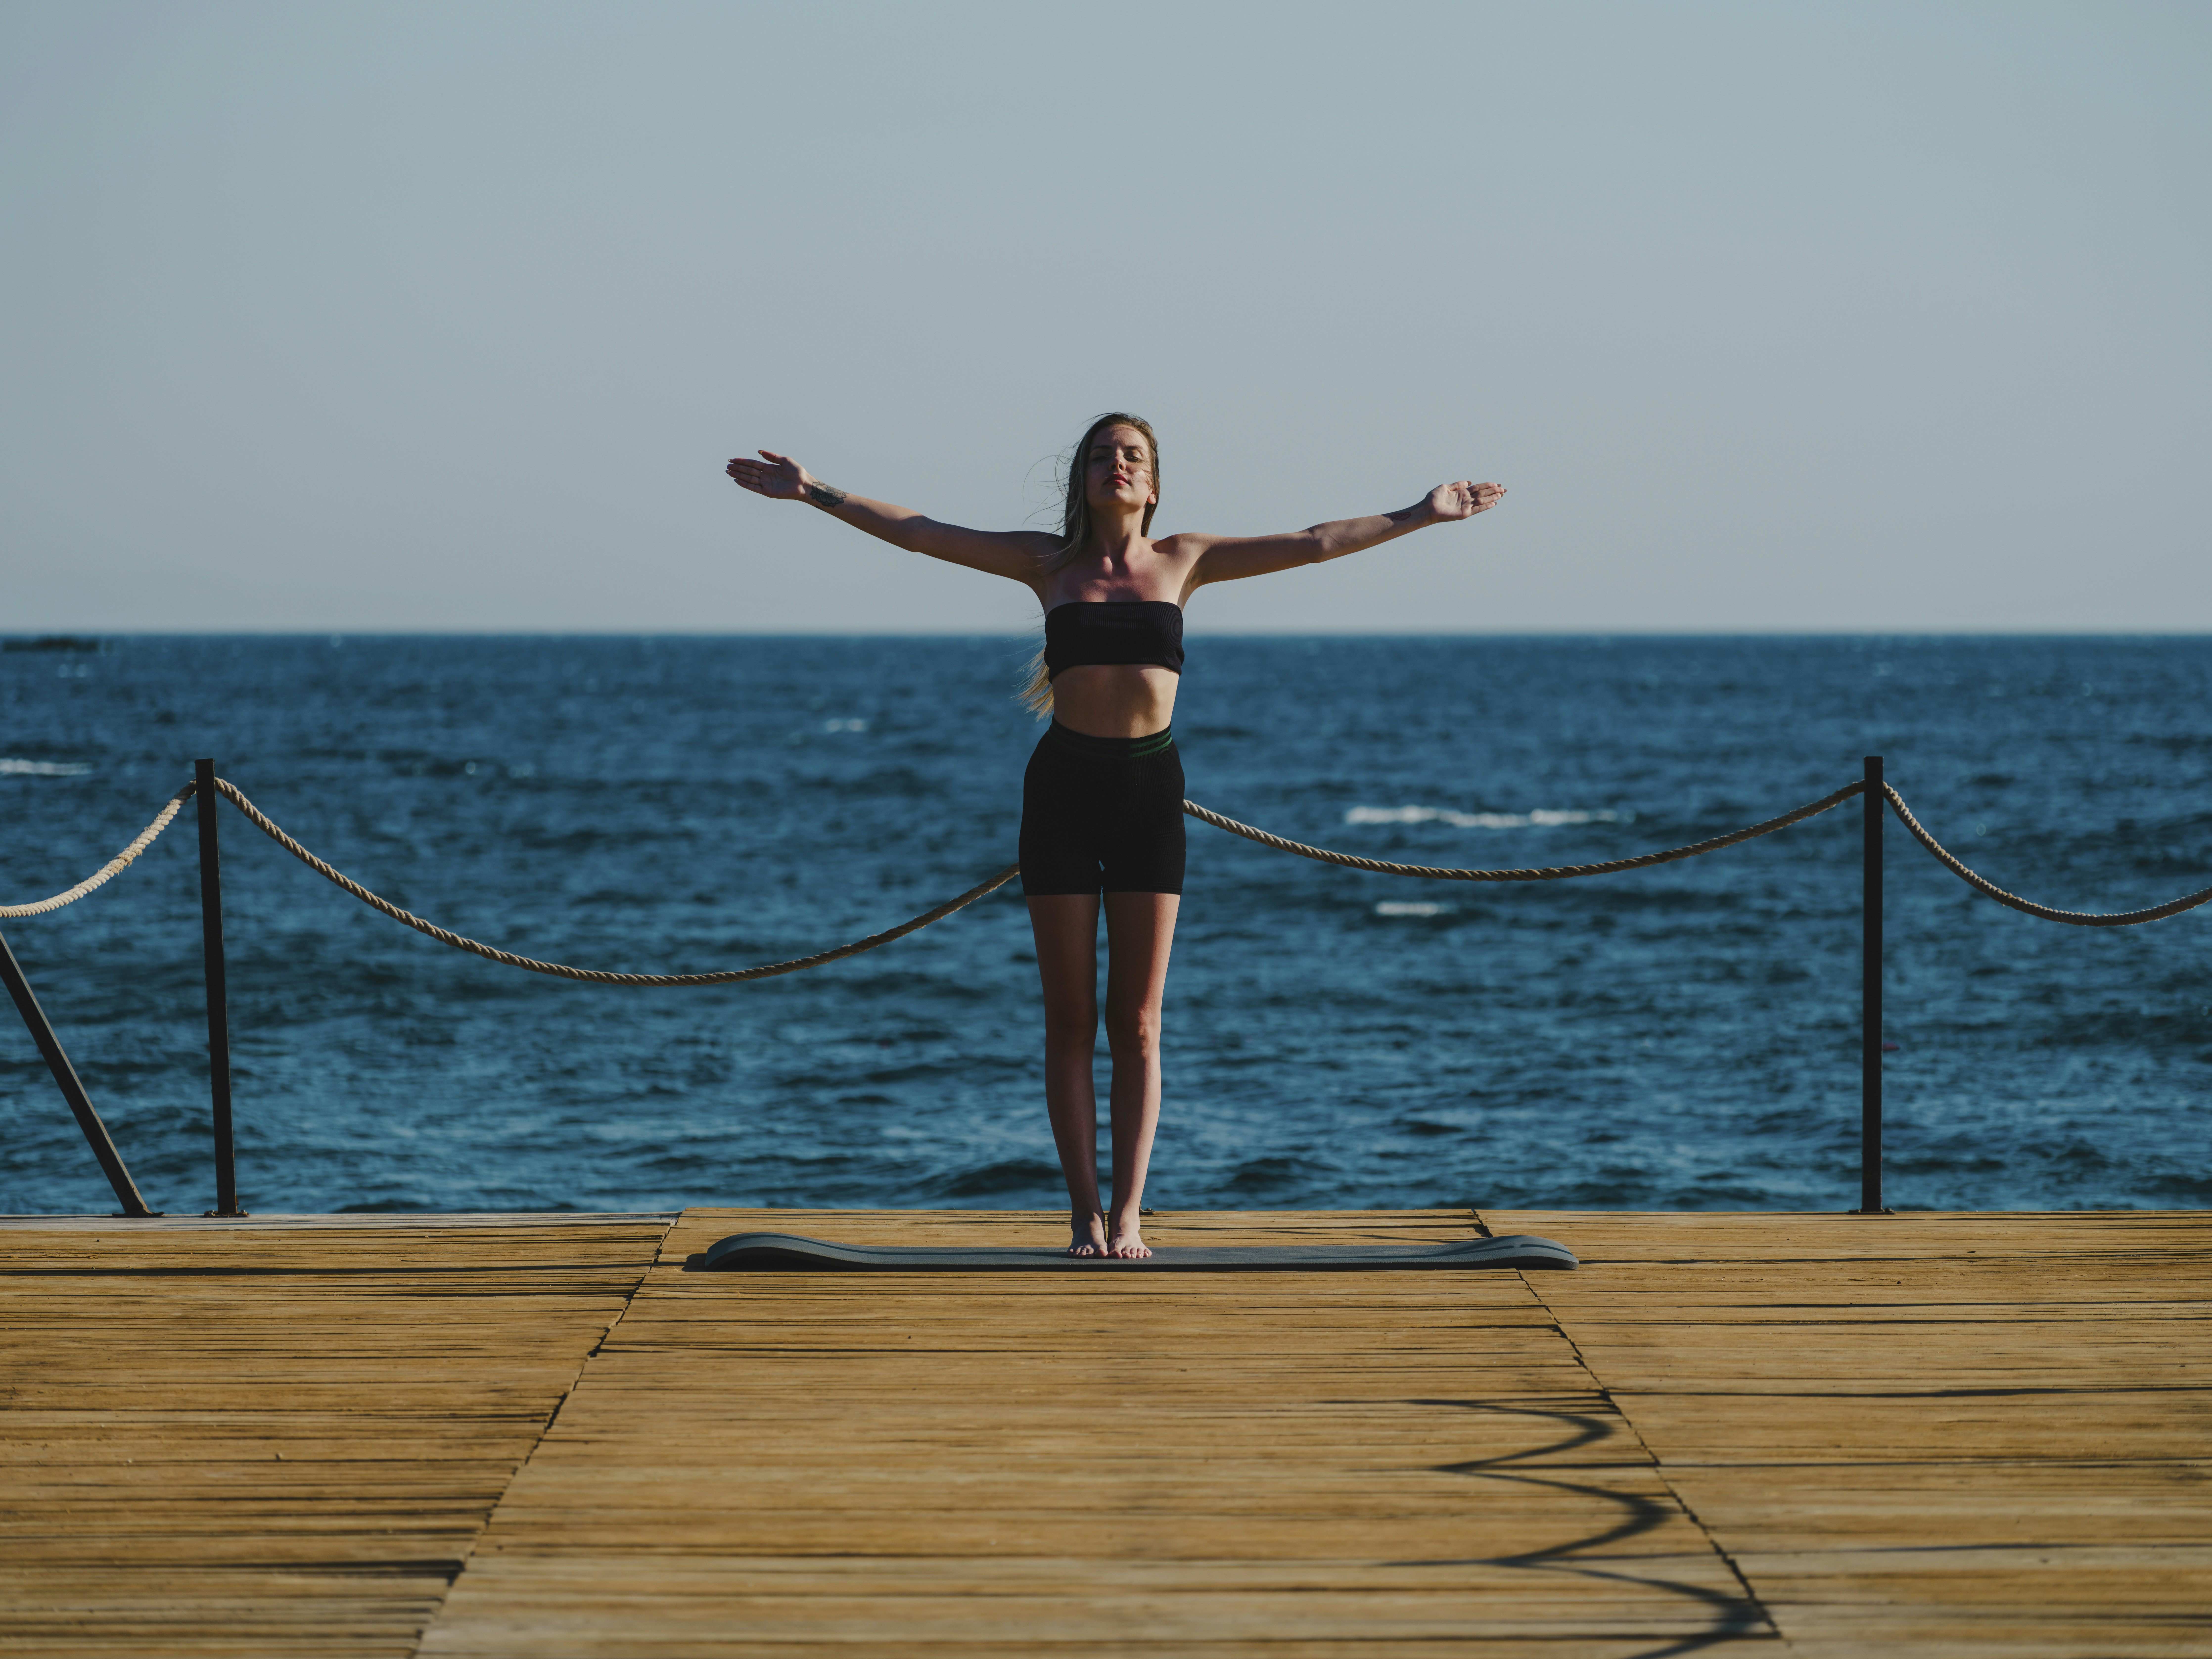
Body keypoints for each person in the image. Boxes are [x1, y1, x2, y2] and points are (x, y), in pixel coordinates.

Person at [726, 414, 1505, 1258]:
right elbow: (922, 534)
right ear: (1085, 481)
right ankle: (1083, 1217)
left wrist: (1422, 514)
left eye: (1132, 456)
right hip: (1061, 791)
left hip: (1148, 793)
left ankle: (1130, 1215)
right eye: (1103, 456)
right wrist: (814, 492)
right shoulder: (1046, 563)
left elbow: (1314, 542)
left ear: (1154, 482)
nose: (1118, 466)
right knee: (1068, 1019)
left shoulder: (1187, 559)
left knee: (1134, 1020)